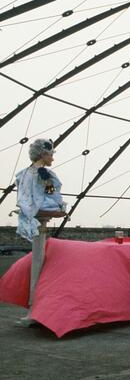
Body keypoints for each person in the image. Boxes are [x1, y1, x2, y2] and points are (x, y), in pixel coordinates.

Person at [14, 138, 67, 325]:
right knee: (39, 259)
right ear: (43, 154)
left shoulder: (30, 173)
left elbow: (43, 194)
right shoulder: (38, 174)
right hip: (40, 213)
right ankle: (34, 307)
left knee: (39, 259)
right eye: (51, 154)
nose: (52, 157)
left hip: (36, 213)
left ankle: (35, 307)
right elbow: (47, 195)